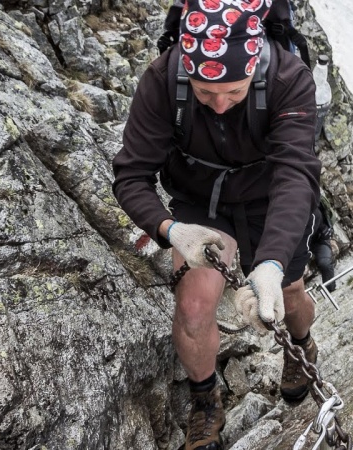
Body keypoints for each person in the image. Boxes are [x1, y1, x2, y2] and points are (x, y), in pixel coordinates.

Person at [111, 1, 321, 448]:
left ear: (256, 68)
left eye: (235, 92)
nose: (221, 105)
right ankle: (205, 401)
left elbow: (295, 176)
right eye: (207, 95)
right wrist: (170, 230)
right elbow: (131, 176)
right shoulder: (163, 80)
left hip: (270, 197)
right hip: (200, 195)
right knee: (192, 307)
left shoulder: (287, 79)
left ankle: (300, 345)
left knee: (289, 290)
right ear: (188, 72)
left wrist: (271, 262)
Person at [310, 202, 337, 292]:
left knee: (325, 263)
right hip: (298, 246)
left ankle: (331, 291)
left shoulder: (315, 202)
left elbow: (325, 213)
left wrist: (326, 230)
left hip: (319, 240)